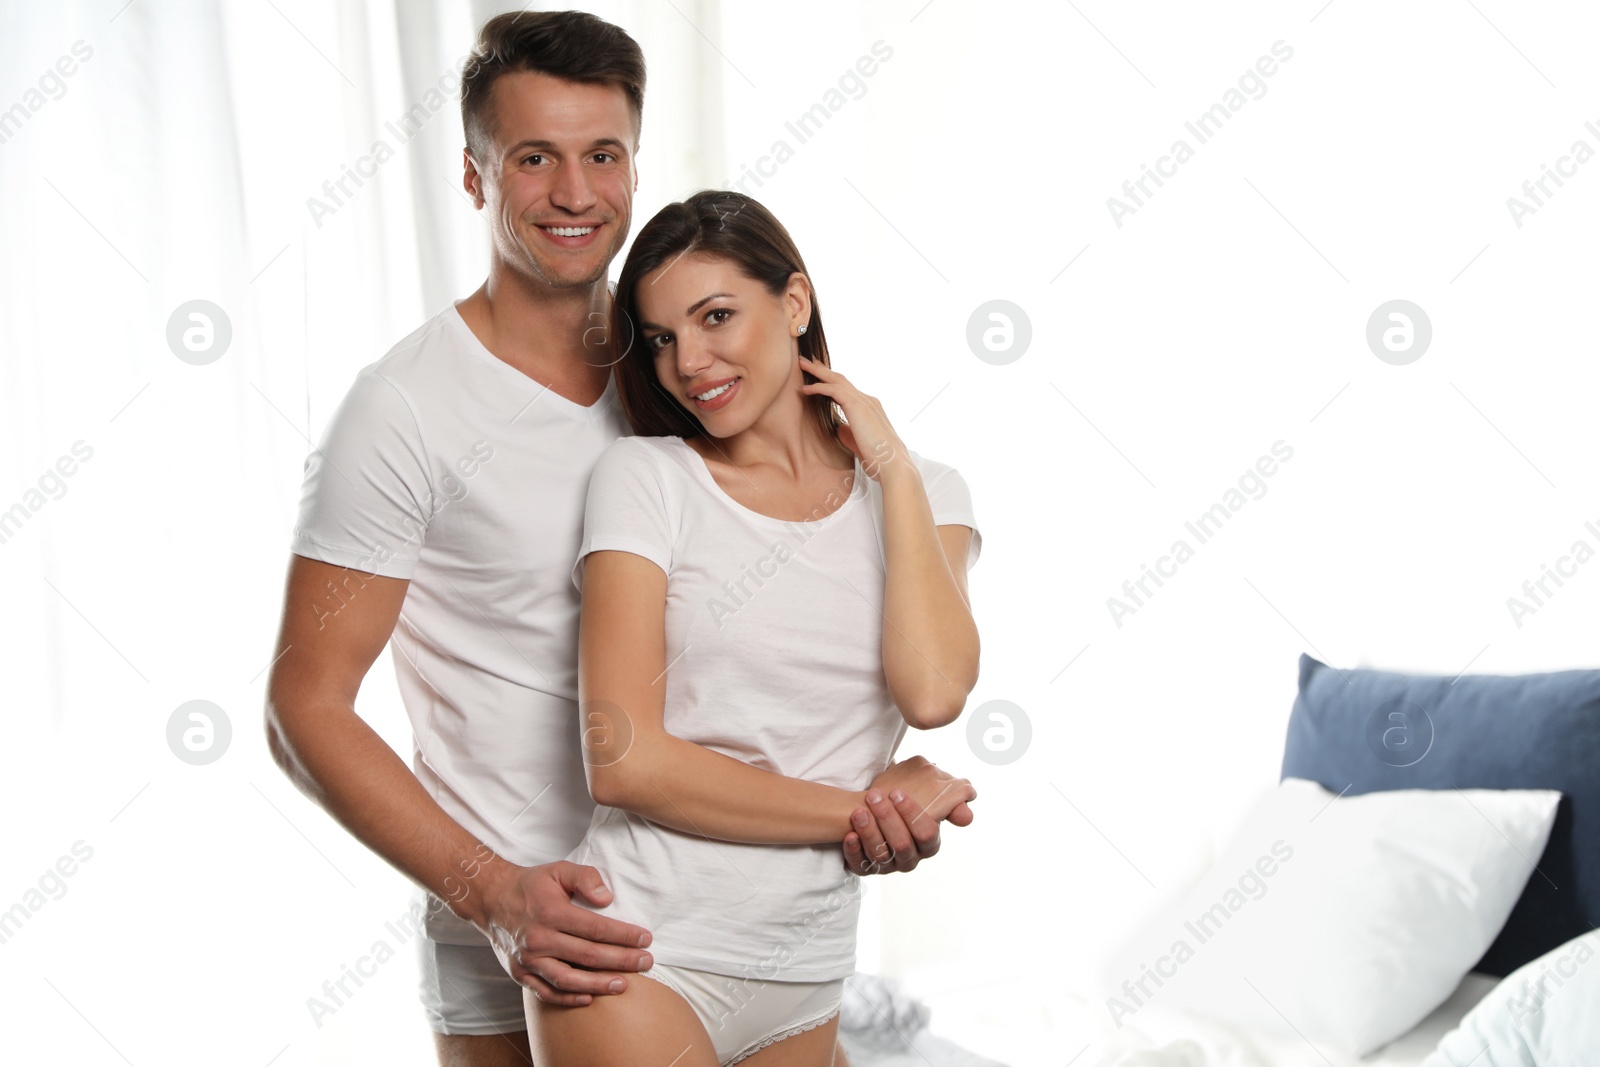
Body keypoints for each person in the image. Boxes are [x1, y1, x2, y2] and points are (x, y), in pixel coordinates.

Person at [264, 11, 972, 1067]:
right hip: (517, 923)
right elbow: (303, 703)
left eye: (603, 155)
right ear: (473, 176)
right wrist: (493, 892)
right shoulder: (406, 409)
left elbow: (797, 639)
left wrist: (886, 785)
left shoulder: (686, 394)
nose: (575, 193)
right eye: (532, 159)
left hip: (730, 895)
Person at [525, 190, 982, 1066]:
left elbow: (931, 693)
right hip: (637, 952)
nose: (688, 361)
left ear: (795, 304)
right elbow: (626, 761)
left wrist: (890, 467)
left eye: (716, 316)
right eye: (660, 338)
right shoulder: (646, 477)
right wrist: (869, 811)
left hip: (806, 973)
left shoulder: (928, 493)